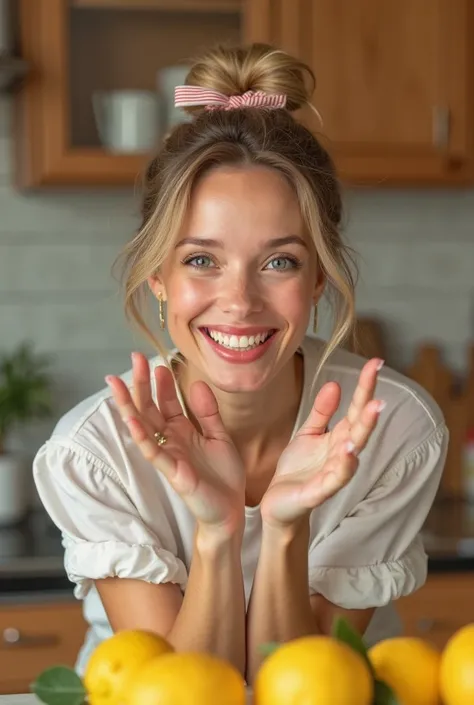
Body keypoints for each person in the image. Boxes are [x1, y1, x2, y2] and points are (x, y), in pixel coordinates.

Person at [33, 43, 448, 683]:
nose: (240, 302)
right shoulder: (94, 455)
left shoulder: (392, 429)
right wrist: (217, 533)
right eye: (201, 259)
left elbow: (302, 685)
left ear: (318, 280)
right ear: (158, 278)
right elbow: (184, 691)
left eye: (280, 260)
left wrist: (284, 527)